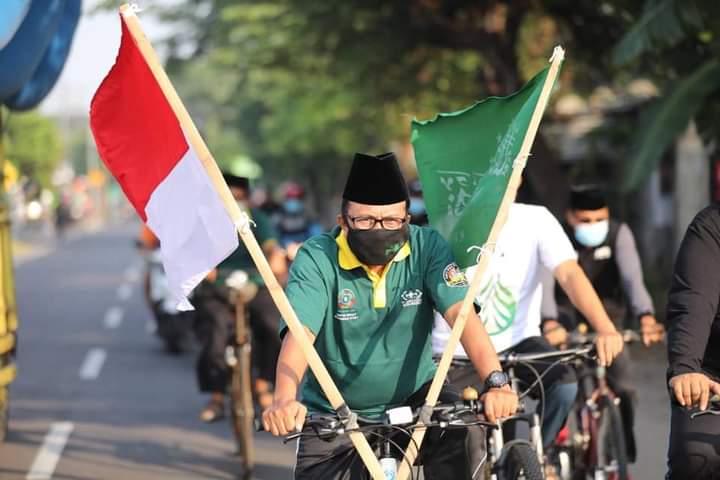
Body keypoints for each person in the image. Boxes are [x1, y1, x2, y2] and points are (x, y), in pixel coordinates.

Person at [262, 152, 518, 479]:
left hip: (418, 399)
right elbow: (300, 333)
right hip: (334, 412)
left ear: (406, 220)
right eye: (365, 221)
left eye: (391, 221)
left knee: (465, 434)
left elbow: (461, 313)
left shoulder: (429, 247)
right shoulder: (317, 257)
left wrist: (496, 382)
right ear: (343, 222)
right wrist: (283, 398)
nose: (379, 229)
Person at [432, 201, 624, 458]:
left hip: (520, 342)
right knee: (463, 437)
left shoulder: (536, 219)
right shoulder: (439, 220)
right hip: (454, 352)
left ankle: (539, 458)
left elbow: (569, 274)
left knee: (564, 386)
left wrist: (605, 328)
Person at [541, 184, 665, 463]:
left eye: (599, 219)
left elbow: (633, 279)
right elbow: (545, 284)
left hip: (610, 322)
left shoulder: (619, 234)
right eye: (585, 220)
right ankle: (555, 452)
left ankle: (619, 454)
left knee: (624, 389)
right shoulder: (554, 236)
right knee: (564, 386)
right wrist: (549, 321)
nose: (593, 226)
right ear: (570, 217)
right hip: (565, 322)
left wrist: (646, 315)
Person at [194, 173, 287, 422]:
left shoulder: (258, 219)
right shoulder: (207, 221)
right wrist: (204, 268)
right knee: (215, 330)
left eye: (239, 197)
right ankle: (216, 397)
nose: (234, 201)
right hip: (216, 287)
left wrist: (276, 256)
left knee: (273, 326)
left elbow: (271, 245)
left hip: (255, 283)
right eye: (228, 196)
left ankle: (263, 383)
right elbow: (196, 251)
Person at [665, 204, 720, 479]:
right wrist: (686, 368)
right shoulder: (712, 227)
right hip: (713, 380)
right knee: (696, 455)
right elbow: (694, 302)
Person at [277, 181, 324, 260]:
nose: (294, 200)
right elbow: (274, 238)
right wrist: (286, 247)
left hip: (307, 255)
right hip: (285, 256)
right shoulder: (279, 217)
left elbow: (318, 238)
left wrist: (303, 247)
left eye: (297, 197)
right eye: (290, 197)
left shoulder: (309, 218)